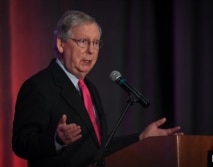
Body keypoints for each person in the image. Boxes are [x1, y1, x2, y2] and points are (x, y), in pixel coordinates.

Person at [12, 10, 183, 167]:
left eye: (95, 43)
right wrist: (56, 140)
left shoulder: (89, 88)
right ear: (61, 43)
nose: (91, 50)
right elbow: (20, 143)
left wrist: (141, 138)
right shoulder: (38, 86)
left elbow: (99, 147)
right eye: (83, 41)